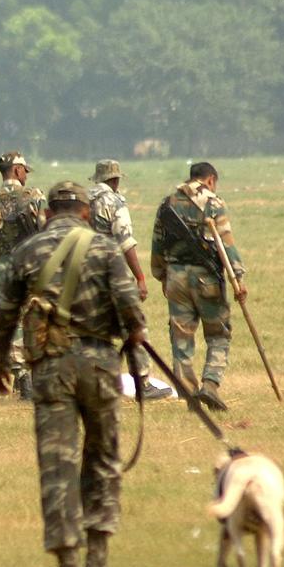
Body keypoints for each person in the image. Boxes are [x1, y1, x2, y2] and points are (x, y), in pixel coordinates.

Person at [0, 180, 146, 567]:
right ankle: (99, 558)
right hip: (100, 367)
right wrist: (134, 351)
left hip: (52, 369)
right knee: (103, 459)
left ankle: (68, 562)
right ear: (87, 212)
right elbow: (133, 315)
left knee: (57, 466)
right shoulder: (106, 248)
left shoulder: (28, 251)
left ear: (47, 212)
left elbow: (5, 317)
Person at [151, 162, 246, 411]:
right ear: (211, 180)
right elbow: (227, 244)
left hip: (176, 278)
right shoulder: (213, 203)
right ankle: (210, 385)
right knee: (218, 334)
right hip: (207, 279)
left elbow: (158, 242)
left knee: (181, 338)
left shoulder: (167, 203)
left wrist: (161, 275)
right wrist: (238, 278)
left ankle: (190, 396)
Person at [87, 160, 171, 400]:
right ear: (114, 180)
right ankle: (142, 382)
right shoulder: (113, 202)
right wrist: (140, 277)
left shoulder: (83, 202)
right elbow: (125, 242)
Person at [0, 151, 45, 399]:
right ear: (16, 170)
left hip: (3, 268)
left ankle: (21, 377)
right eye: (24, 170)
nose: (26, 175)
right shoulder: (34, 196)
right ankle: (31, 376)